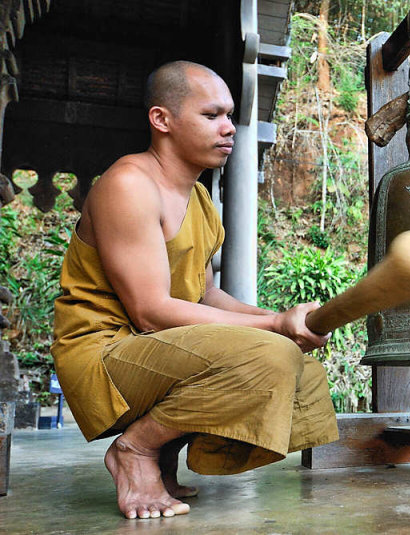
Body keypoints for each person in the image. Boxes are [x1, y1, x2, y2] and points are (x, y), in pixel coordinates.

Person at [52, 60, 339, 520]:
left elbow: (206, 297)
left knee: (298, 366)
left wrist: (285, 321)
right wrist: (270, 329)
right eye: (212, 116)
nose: (229, 129)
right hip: (102, 355)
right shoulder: (129, 185)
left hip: (152, 350)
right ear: (161, 120)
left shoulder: (201, 200)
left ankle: (163, 454)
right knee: (268, 356)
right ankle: (136, 450)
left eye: (229, 116)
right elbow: (149, 311)